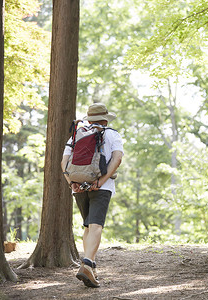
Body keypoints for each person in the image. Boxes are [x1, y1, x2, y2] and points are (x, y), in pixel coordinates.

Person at [61, 103, 124, 288]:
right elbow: (117, 158)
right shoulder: (112, 134)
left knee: (88, 226)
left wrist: (71, 183)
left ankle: (91, 266)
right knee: (96, 225)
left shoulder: (76, 134)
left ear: (89, 119)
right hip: (101, 187)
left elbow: (64, 161)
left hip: (78, 185)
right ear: (105, 119)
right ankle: (87, 263)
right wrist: (101, 181)